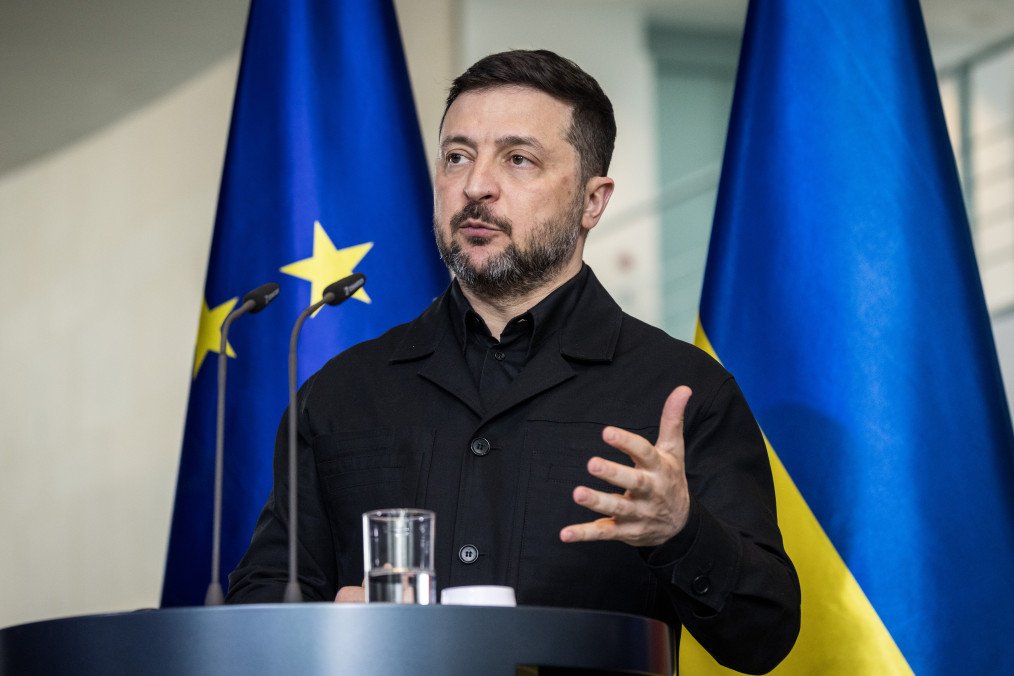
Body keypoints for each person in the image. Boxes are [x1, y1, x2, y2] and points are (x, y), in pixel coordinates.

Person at [228, 49, 800, 673]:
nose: (475, 186)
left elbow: (763, 636)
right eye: (457, 156)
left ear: (593, 201)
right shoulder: (342, 391)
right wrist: (327, 628)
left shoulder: (682, 390)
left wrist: (680, 530)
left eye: (518, 158)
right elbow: (262, 602)